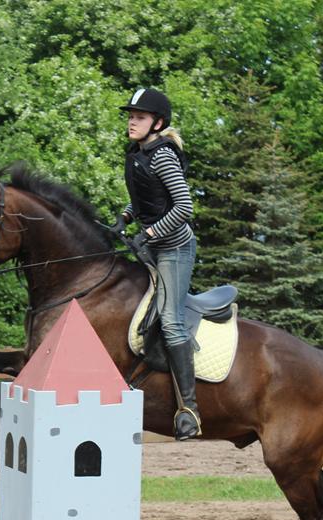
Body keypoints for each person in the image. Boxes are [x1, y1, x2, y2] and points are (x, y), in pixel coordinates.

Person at [112, 87, 201, 440]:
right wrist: (124, 216)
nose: (132, 121)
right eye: (131, 116)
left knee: (170, 320)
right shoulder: (136, 152)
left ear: (158, 123)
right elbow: (146, 198)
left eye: (140, 117)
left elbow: (183, 208)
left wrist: (148, 233)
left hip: (174, 249)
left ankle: (189, 410)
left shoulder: (163, 155)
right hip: (153, 244)